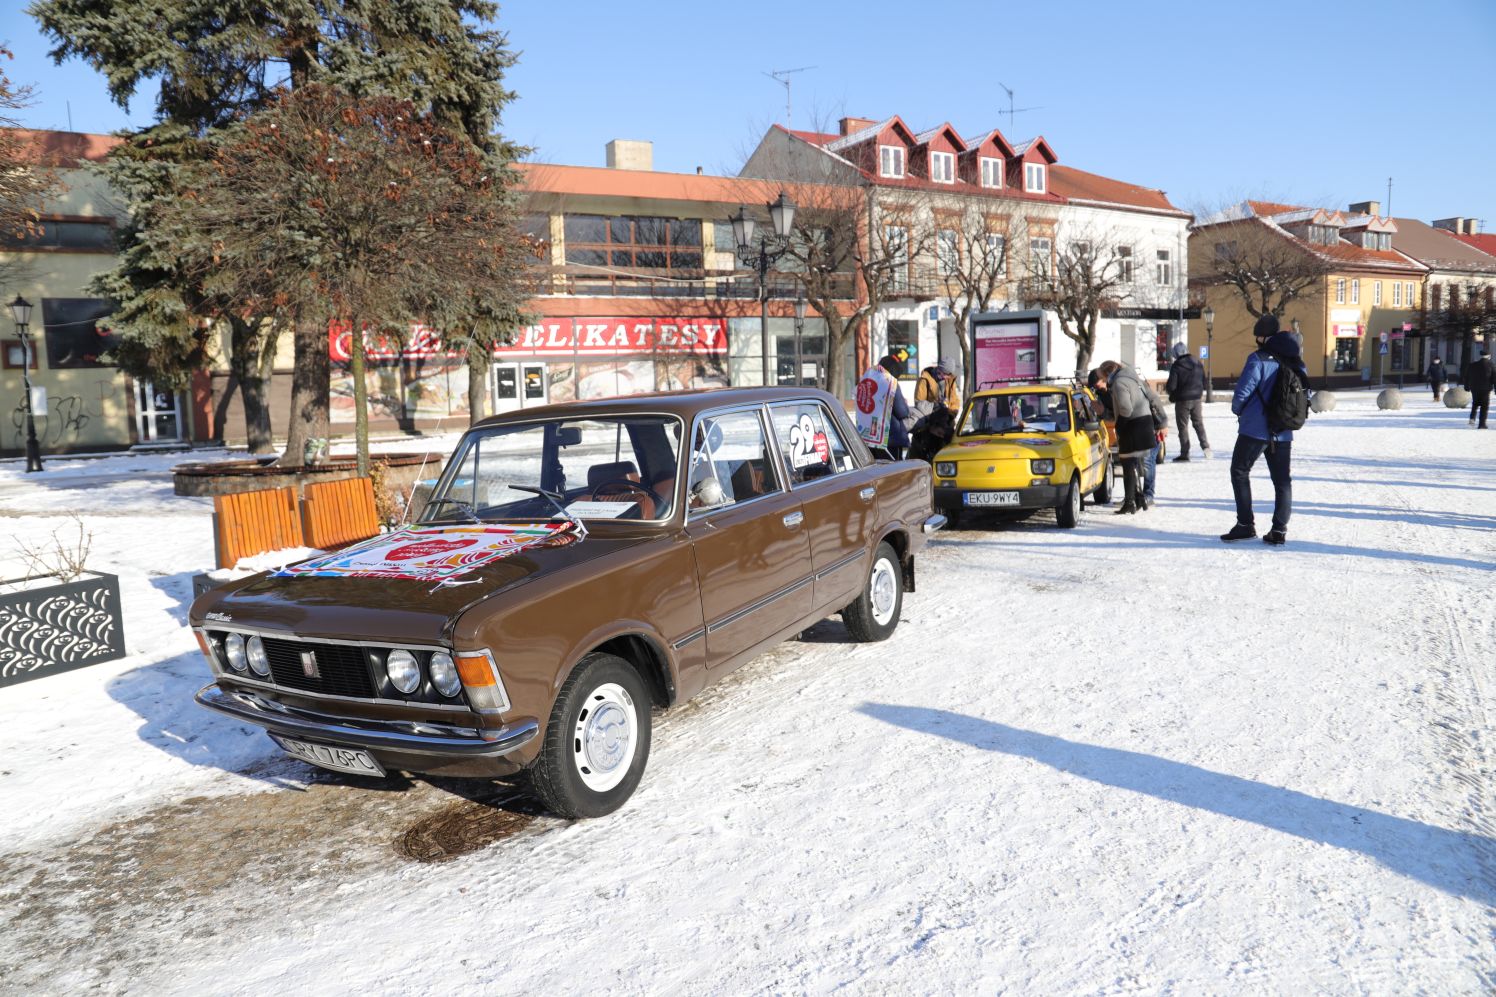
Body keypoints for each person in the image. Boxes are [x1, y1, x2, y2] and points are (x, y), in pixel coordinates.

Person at [1221, 314, 1307, 546]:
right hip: (1283, 430)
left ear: (1262, 336)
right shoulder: (1295, 360)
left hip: (1254, 429)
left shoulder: (1258, 359)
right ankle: (1279, 530)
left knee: (1239, 471)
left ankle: (1245, 524)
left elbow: (1242, 393)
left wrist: (1239, 411)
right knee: (1282, 481)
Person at [1095, 360, 1154, 514]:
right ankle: (1138, 498)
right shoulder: (1130, 378)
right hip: (1142, 424)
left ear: (1107, 374)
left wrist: (1119, 427)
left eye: (1102, 377)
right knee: (1131, 463)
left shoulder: (1119, 383)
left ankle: (1130, 503)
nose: (1103, 381)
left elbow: (1126, 409)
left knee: (1128, 464)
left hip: (1133, 426)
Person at [1165, 342, 1211, 461]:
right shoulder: (1197, 363)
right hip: (1196, 399)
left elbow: (1171, 386)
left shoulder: (1177, 366)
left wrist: (1172, 396)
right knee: (1198, 424)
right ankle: (1206, 448)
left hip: (1182, 401)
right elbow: (1204, 382)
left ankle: (1185, 453)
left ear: (1176, 354)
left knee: (1183, 427)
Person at [1142, 382, 1169, 506]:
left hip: (1153, 429)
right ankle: (1140, 494)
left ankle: (1148, 494)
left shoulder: (1140, 386)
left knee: (1148, 460)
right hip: (1141, 428)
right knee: (1145, 462)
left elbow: (1156, 402)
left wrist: (1162, 424)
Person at [1464, 350, 1492, 429]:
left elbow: (1467, 376)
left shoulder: (1472, 365)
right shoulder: (1491, 365)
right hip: (1485, 388)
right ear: (1488, 356)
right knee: (1484, 406)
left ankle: (1472, 418)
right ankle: (1482, 424)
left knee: (1475, 403)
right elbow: (1494, 378)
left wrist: (1466, 386)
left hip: (1474, 388)